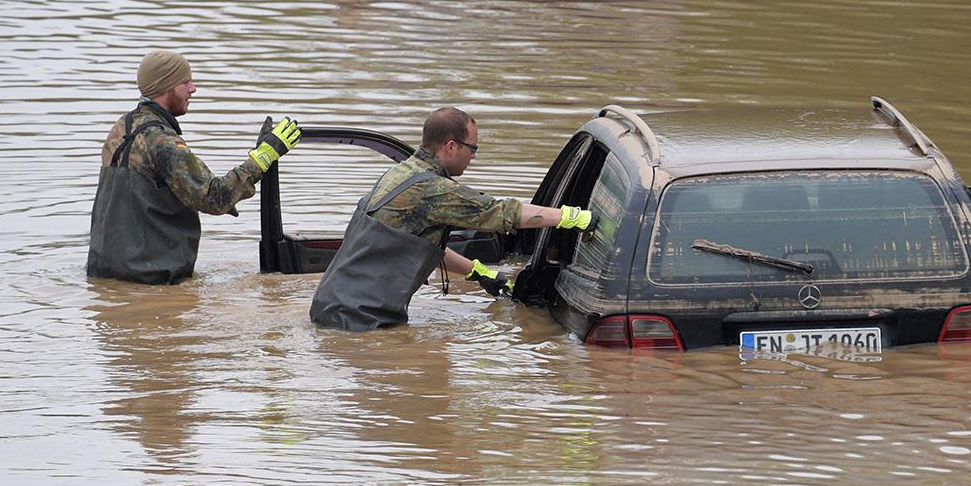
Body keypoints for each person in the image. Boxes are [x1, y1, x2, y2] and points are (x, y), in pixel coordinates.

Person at [310, 106, 595, 331]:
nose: (473, 157)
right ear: (450, 146)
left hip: (332, 308)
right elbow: (500, 212)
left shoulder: (402, 173)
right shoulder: (432, 190)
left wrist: (477, 271)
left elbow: (415, 245)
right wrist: (570, 217)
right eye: (472, 148)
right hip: (358, 322)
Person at [87, 49, 302, 285]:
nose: (193, 88)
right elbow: (214, 197)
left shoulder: (122, 128)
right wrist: (264, 156)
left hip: (104, 273)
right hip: (152, 282)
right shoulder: (162, 142)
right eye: (185, 82)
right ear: (166, 86)